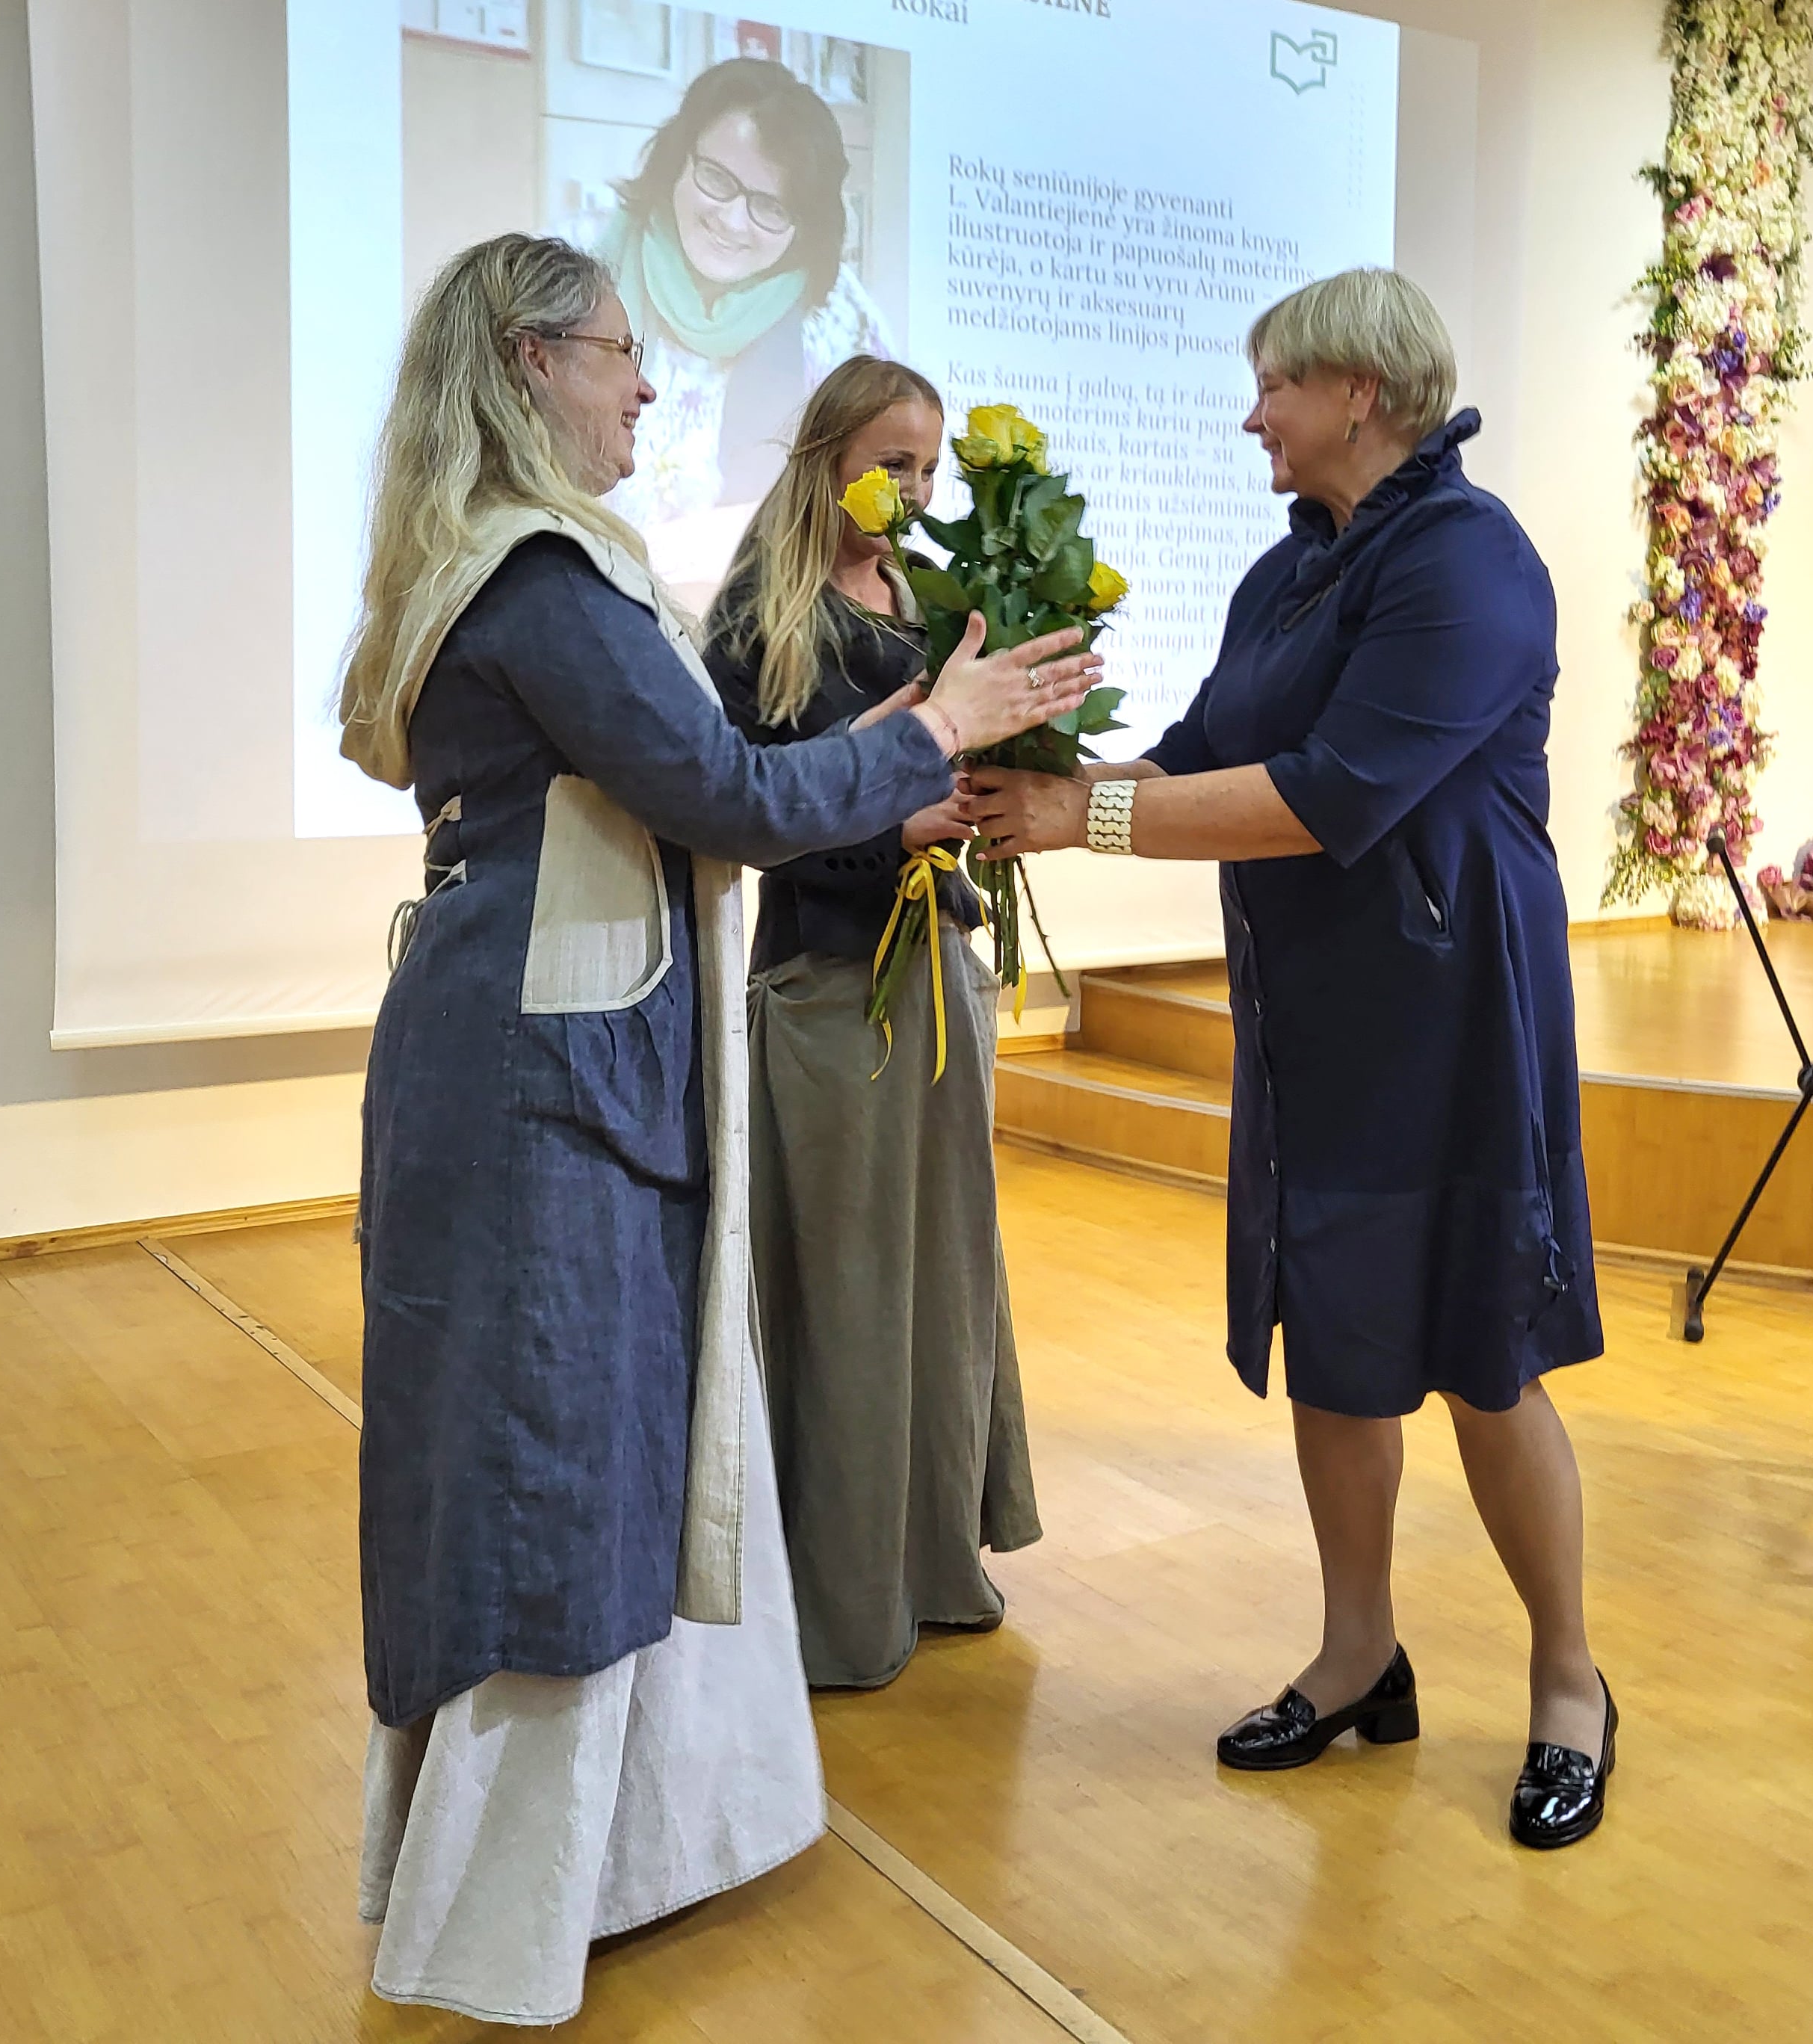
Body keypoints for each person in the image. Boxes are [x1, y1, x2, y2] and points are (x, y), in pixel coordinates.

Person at [336, 232, 1094, 2024]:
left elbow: (700, 791)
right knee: (549, 1458)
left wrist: (897, 744)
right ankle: (509, 1910)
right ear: (527, 364)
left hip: (532, 1056)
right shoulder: (538, 576)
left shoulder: (500, 564)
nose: (648, 381)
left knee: (573, 1449)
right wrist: (939, 728)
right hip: (544, 1087)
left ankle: (601, 1862)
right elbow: (728, 798)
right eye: (619, 349)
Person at [962, 268, 1616, 1851]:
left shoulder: (1470, 562)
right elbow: (1197, 758)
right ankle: (1355, 1654)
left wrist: (1075, 814)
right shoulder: (1285, 573)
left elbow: (1331, 794)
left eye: (1273, 386)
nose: (1250, 416)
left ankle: (1567, 1680)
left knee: (1480, 1356)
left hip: (1452, 1023)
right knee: (1335, 1340)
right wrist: (1013, 778)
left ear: (1358, 395)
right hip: (1317, 1018)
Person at [701, 355, 1041, 1691]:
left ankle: (934, 1561)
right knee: (845, 1289)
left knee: (943, 1275)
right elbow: (750, 822)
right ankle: (842, 1602)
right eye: (891, 463)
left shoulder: (934, 604)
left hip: (941, 974)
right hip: (829, 989)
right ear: (826, 456)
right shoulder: (759, 621)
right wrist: (885, 829)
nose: (914, 489)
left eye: (930, 467)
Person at [570, 58, 891, 560]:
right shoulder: (578, 261)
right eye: (717, 179)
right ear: (679, 159)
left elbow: (873, 516)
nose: (733, 221)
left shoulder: (846, 323)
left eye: (770, 207)